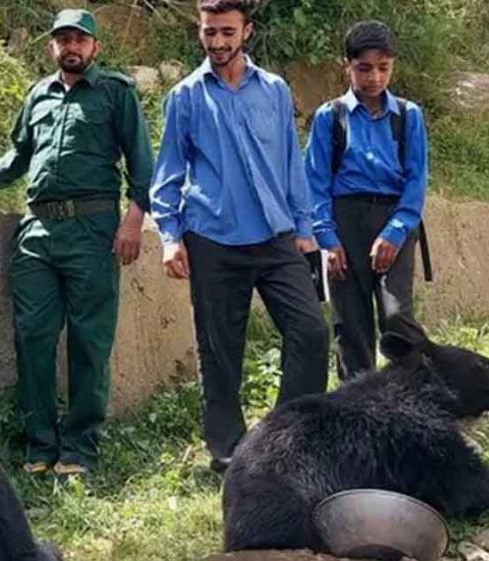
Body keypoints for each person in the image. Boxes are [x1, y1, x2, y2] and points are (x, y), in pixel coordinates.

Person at [0, 9, 153, 477]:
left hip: (93, 230)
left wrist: (133, 220)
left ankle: (79, 448)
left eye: (80, 39)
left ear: (95, 47)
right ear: (52, 47)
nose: (71, 47)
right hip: (37, 232)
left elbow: (142, 163)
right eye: (63, 39)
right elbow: (21, 152)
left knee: (89, 341)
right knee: (33, 337)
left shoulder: (116, 93)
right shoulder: (38, 94)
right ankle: (40, 446)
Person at [150, 0, 330, 474]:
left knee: (311, 331)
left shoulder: (273, 90)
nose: (218, 42)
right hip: (212, 239)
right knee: (220, 351)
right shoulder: (186, 97)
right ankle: (229, 452)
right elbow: (168, 172)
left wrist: (306, 229)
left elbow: (292, 164)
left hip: (276, 236)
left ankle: (291, 438)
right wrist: (169, 236)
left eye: (227, 32)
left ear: (247, 31)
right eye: (209, 32)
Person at [304, 20, 429, 382]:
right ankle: (356, 403)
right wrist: (327, 240)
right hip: (345, 223)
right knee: (350, 323)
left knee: (396, 315)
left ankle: (418, 390)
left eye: (383, 68)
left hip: (394, 219)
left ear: (393, 66)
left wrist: (395, 231)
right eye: (364, 68)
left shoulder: (408, 116)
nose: (374, 78)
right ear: (347, 65)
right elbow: (315, 183)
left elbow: (416, 180)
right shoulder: (330, 117)